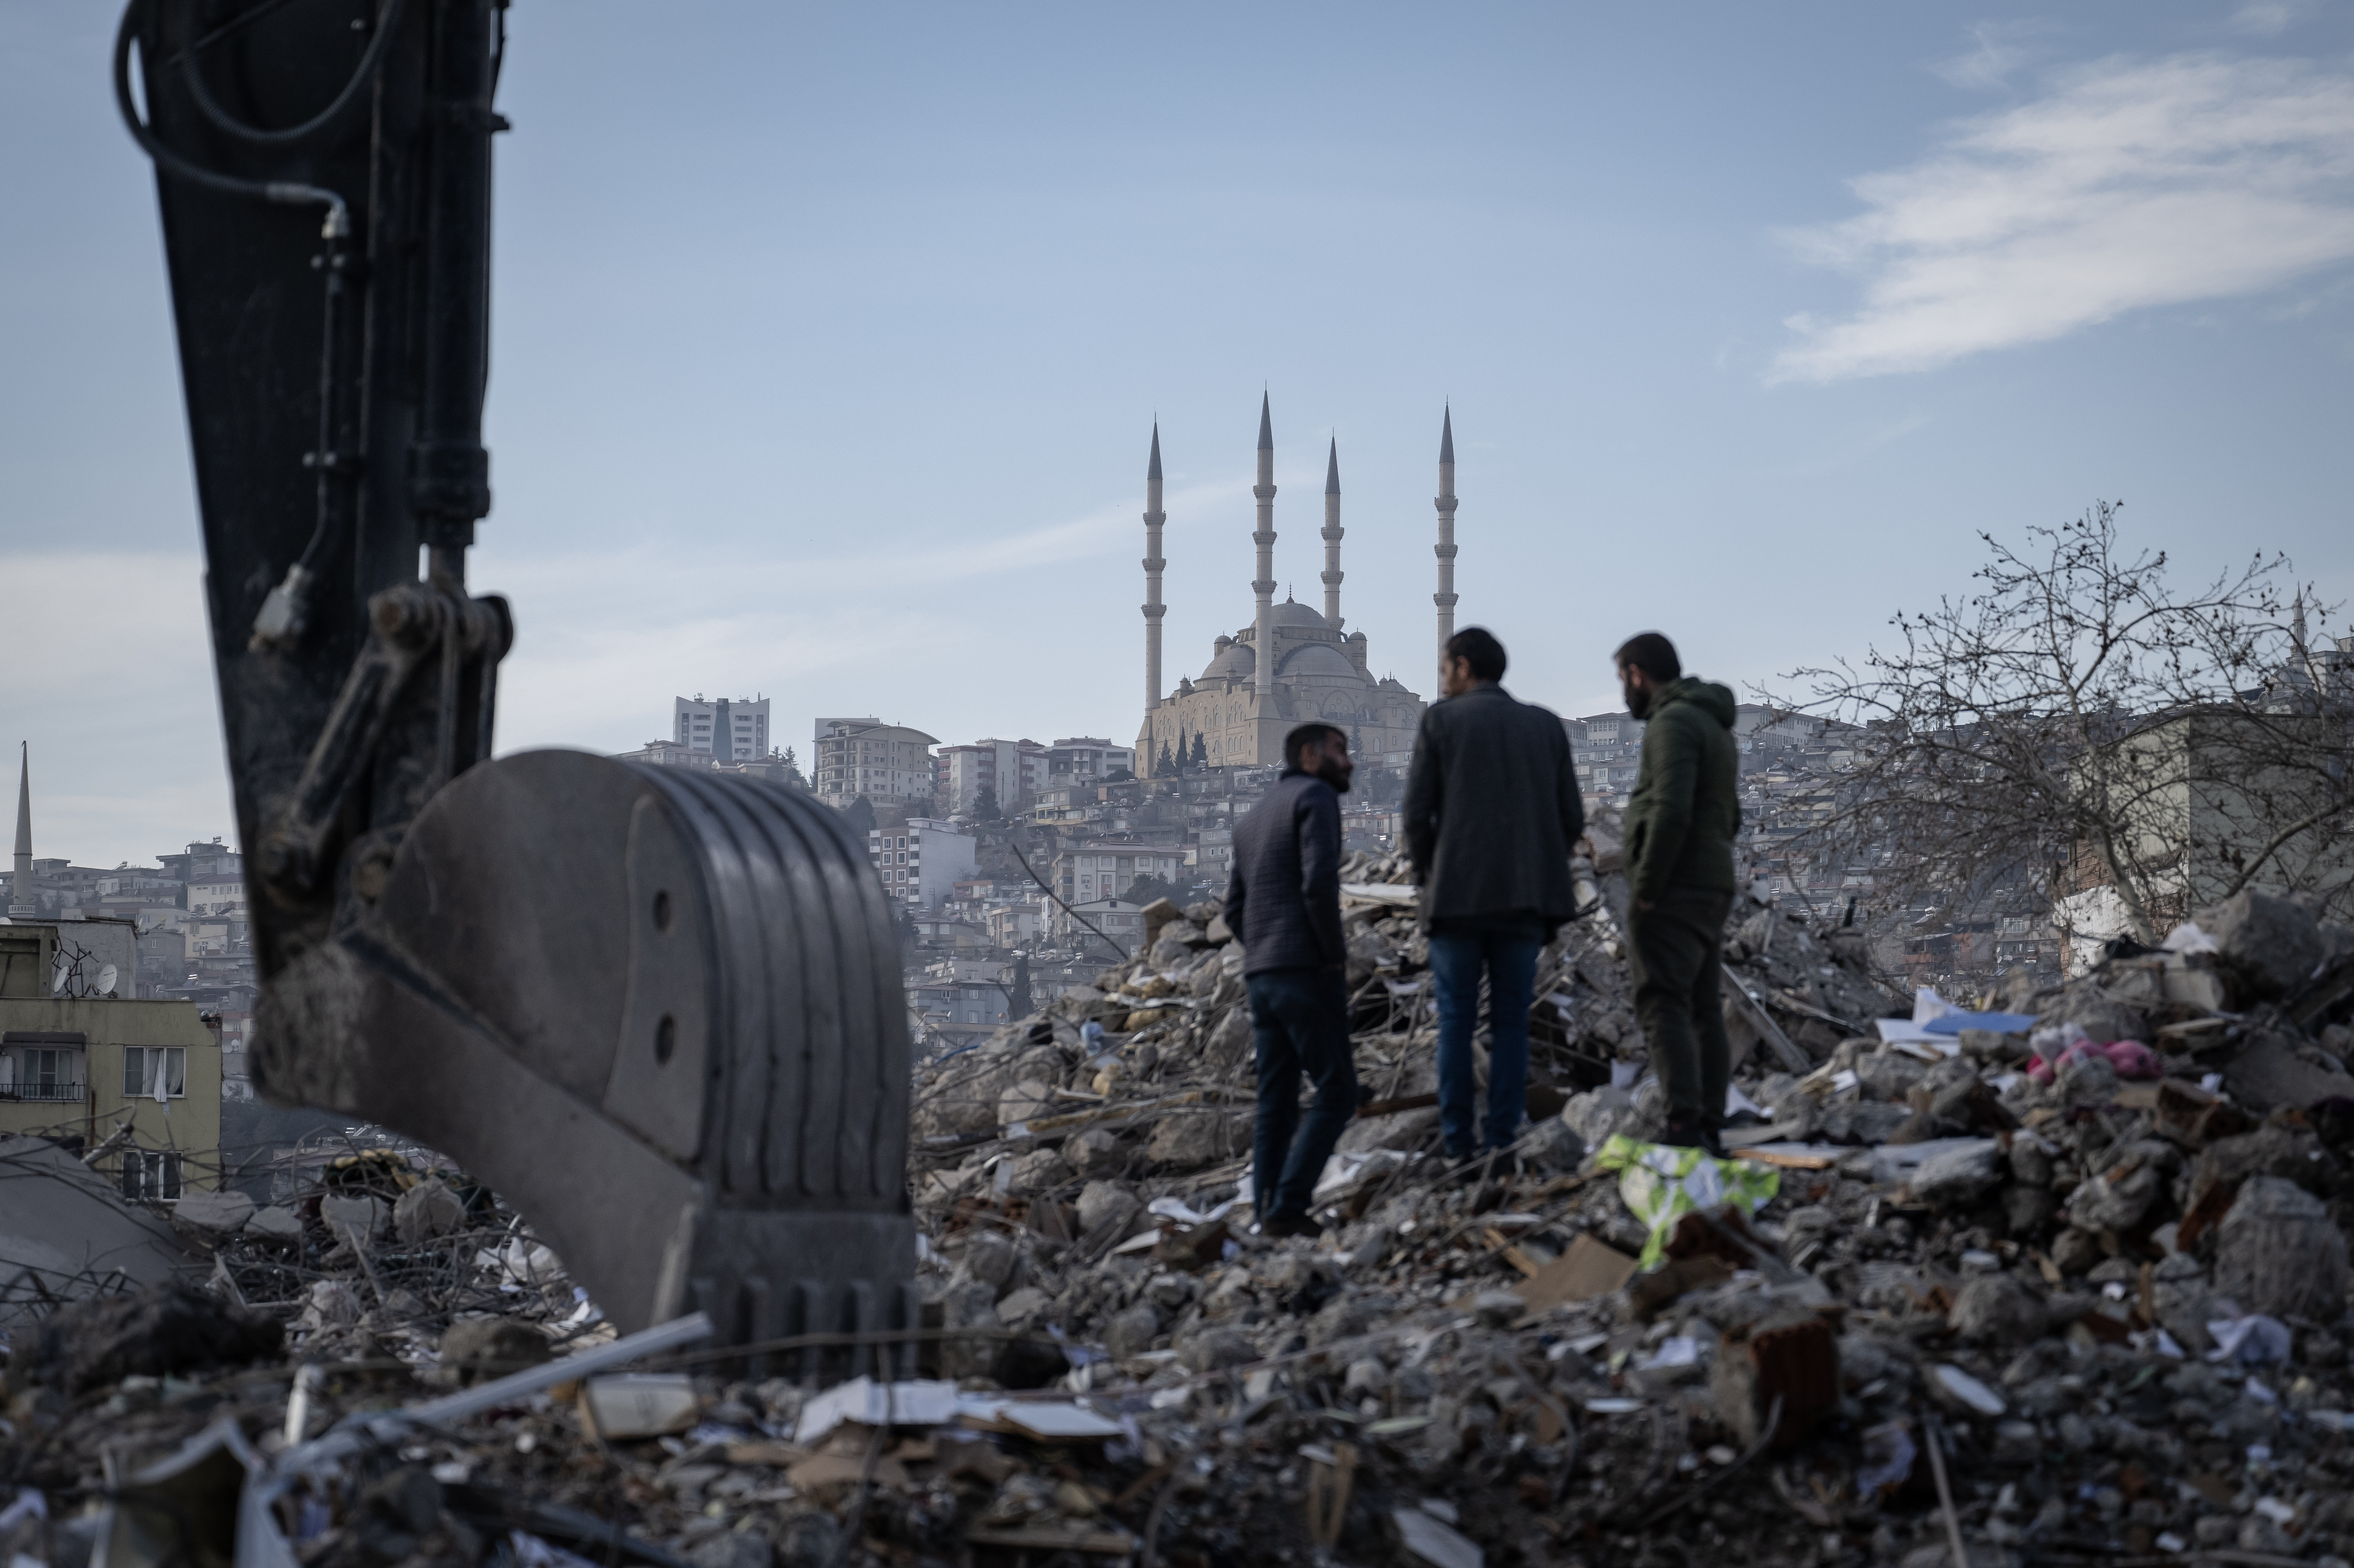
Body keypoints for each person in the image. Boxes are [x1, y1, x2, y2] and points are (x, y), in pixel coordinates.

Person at [1402, 627, 1584, 1172]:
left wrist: (1430, 876)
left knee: (1456, 1023)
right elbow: (1570, 818)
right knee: (1511, 1024)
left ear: (1463, 666)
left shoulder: (1440, 722)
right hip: (1524, 901)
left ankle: (1458, 1142)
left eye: (1444, 670)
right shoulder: (1544, 725)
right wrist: (1540, 868)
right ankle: (1503, 1141)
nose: (1442, 682)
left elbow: (1416, 815)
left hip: (1456, 900)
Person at [1223, 722, 1360, 1238]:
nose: (1349, 761)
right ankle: (1289, 1204)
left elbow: (1233, 910)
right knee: (1338, 1090)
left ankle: (1265, 1214)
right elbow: (1319, 882)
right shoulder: (1315, 797)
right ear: (1309, 755)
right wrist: (1333, 955)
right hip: (1305, 968)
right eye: (1340, 750)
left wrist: (1263, 948)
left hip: (1262, 976)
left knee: (1275, 1101)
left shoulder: (1252, 818)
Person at [1614, 631, 1741, 1156]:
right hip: (1711, 881)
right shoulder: (1714, 724)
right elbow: (1731, 814)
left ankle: (1683, 1123)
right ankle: (1708, 1122)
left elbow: (1670, 809)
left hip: (1675, 885)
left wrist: (1647, 885)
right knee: (1703, 1006)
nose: (1624, 691)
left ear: (1638, 674)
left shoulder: (1671, 724)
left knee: (1662, 1001)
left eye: (1623, 678)